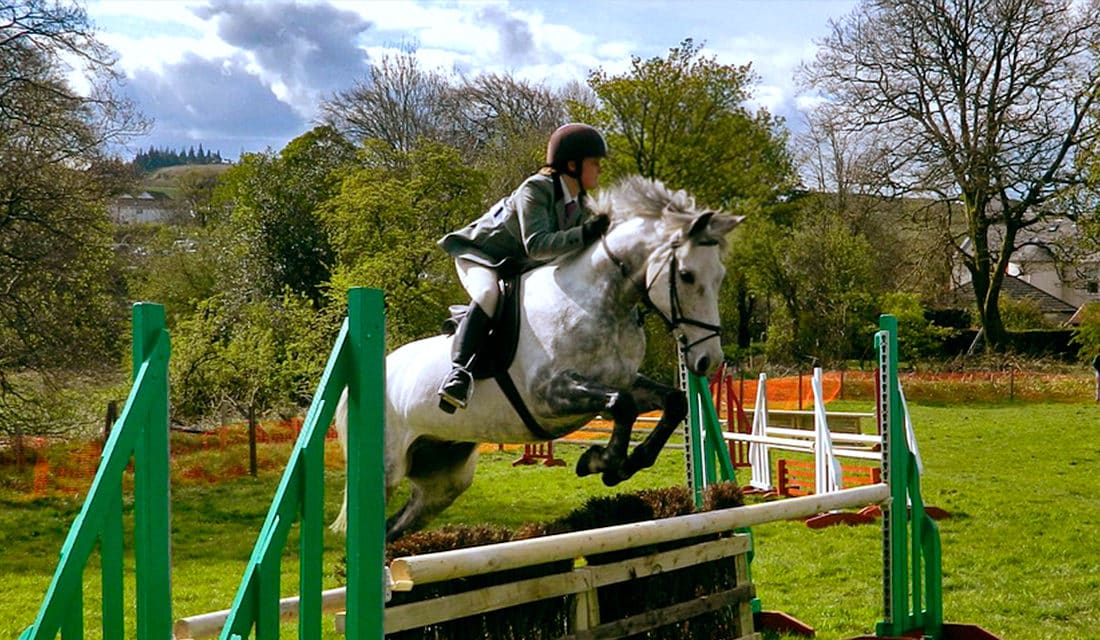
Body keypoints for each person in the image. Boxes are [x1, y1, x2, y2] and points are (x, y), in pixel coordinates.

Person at [435, 123, 612, 412]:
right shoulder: (536, 188)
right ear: (572, 165)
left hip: (516, 266)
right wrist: (588, 233)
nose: (599, 169)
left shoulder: (580, 203)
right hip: (480, 255)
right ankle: (458, 373)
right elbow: (538, 245)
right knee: (488, 294)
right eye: (594, 162)